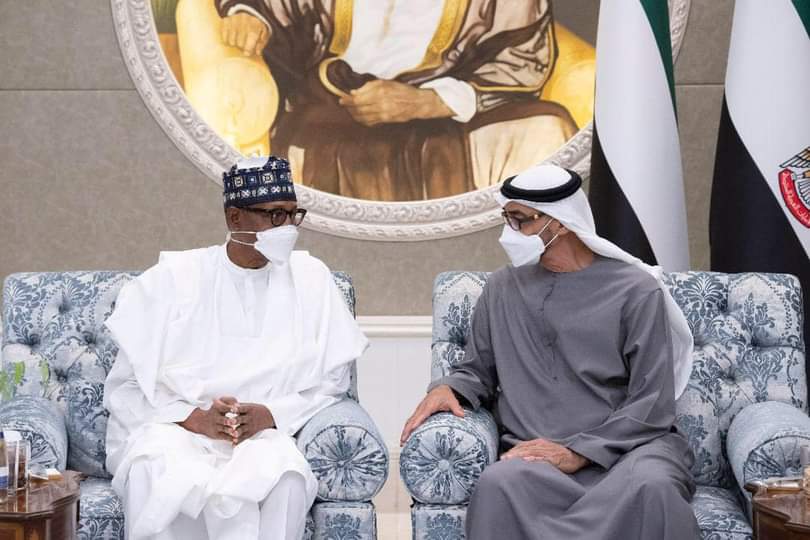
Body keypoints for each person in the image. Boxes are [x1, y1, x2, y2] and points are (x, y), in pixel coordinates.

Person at [400, 164, 699, 539]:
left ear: (559, 222)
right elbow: (476, 371)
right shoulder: (502, 288)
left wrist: (578, 453)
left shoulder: (636, 290)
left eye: (520, 220)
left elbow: (652, 402)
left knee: (654, 487)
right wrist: (448, 388)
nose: (509, 233)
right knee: (499, 484)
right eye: (507, 219)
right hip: (538, 454)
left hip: (629, 450)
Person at [103, 156, 368, 540]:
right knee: (150, 468)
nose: (287, 228)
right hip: (177, 433)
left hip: (261, 438)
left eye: (293, 215)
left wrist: (270, 415)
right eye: (274, 215)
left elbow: (332, 383)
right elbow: (127, 388)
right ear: (235, 217)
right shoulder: (174, 279)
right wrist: (192, 418)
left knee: (287, 477)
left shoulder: (311, 279)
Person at [213, 0, 577, 200]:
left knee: (546, 130)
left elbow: (521, 56)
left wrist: (427, 102)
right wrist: (249, 15)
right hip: (338, 101)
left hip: (453, 105)